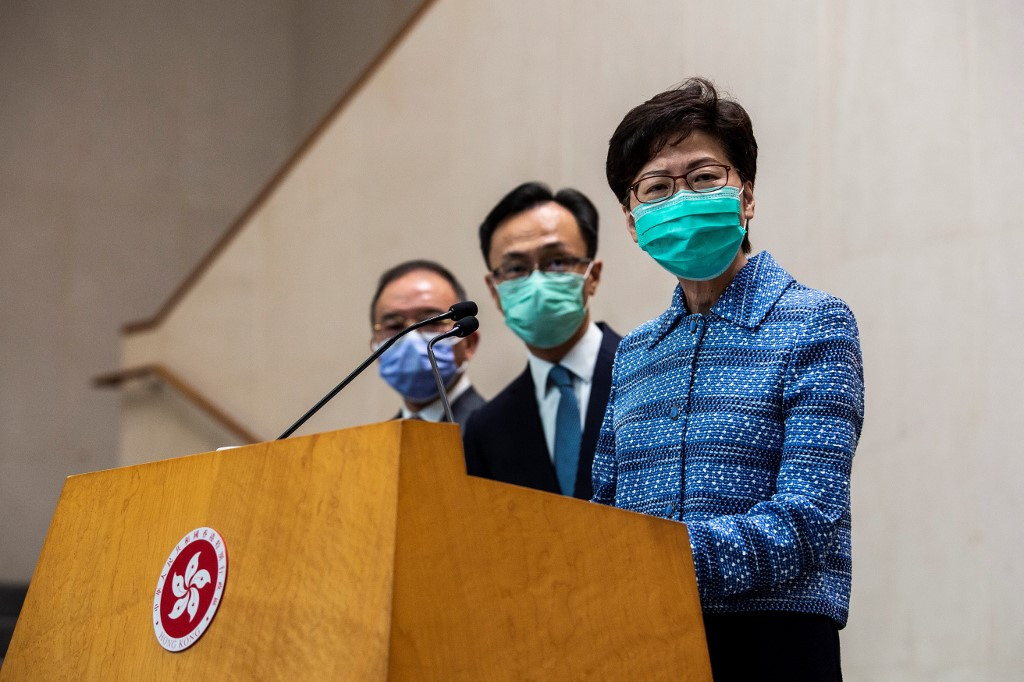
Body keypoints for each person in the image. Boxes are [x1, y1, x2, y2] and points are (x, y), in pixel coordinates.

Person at [593, 77, 865, 680]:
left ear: (745, 196)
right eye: (656, 187)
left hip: (775, 644)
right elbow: (602, 510)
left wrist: (655, 559)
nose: (680, 198)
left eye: (704, 178)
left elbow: (809, 518)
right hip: (642, 640)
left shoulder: (813, 322)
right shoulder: (635, 352)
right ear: (633, 223)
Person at [462, 183, 620, 499]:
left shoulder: (651, 376)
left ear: (593, 276)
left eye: (557, 262)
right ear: (494, 291)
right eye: (516, 268)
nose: (536, 282)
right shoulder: (487, 428)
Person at [370, 260, 483, 429]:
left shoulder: (499, 430)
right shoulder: (374, 445)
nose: (411, 337)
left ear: (468, 343)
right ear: (376, 348)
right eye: (394, 326)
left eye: (430, 322)